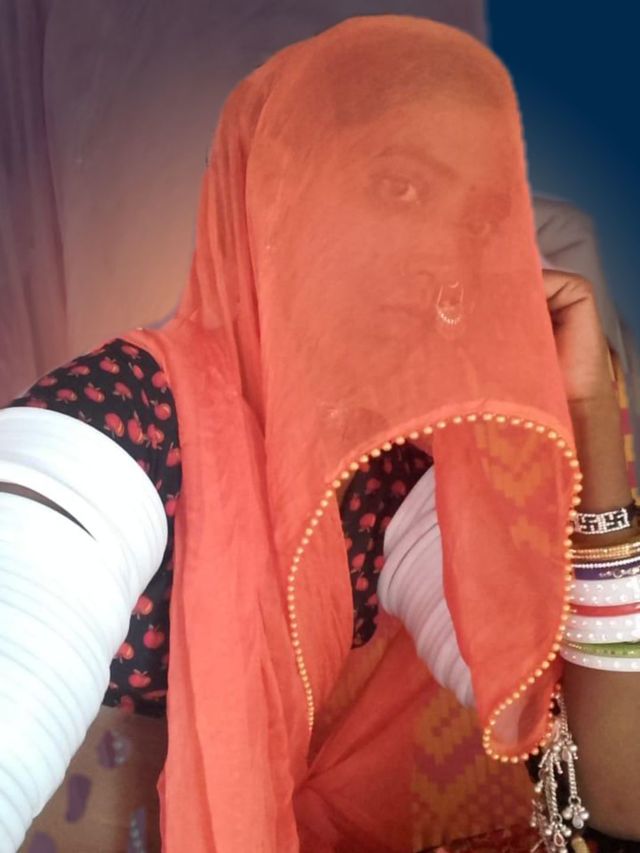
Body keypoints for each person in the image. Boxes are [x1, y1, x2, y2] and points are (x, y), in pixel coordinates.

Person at [1, 15, 639, 853]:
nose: (441, 253)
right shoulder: (103, 434)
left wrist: (589, 414)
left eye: (476, 216)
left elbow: (615, 790)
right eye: (400, 188)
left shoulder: (387, 480)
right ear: (279, 195)